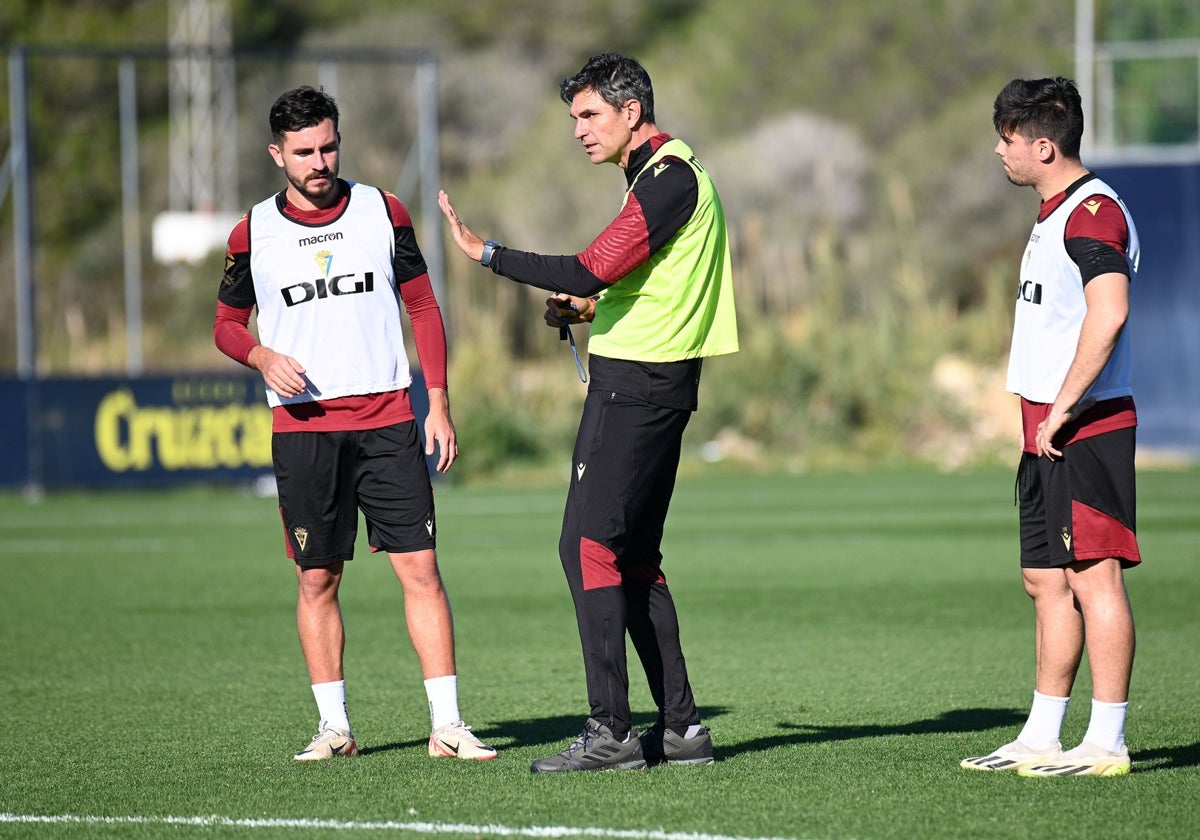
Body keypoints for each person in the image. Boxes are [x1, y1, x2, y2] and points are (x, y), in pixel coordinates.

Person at [439, 52, 738, 773]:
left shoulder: (667, 181)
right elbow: (636, 282)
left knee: (587, 548)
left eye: (588, 114)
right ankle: (682, 731)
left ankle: (611, 732)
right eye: (574, 116)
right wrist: (591, 306)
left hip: (635, 386)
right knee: (632, 557)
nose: (577, 130)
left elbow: (583, 267)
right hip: (657, 382)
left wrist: (488, 253)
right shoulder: (668, 175)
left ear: (631, 112)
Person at [213, 85, 495, 763]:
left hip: (389, 418)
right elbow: (225, 325)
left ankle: (448, 726)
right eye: (304, 151)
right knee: (317, 580)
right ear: (277, 154)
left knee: (422, 569)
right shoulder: (252, 232)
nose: (319, 160)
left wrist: (439, 402)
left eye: (329, 145)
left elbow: (423, 307)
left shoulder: (382, 210)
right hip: (304, 430)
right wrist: (259, 354)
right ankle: (334, 728)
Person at [961, 77, 1141, 778]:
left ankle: (1107, 740)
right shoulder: (1052, 210)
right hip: (1044, 428)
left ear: (1043, 145)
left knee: (1095, 578)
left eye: (1008, 139)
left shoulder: (1093, 212)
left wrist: (1065, 405)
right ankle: (1041, 736)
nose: (999, 150)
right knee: (1044, 579)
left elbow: (1110, 310)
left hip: (1085, 425)